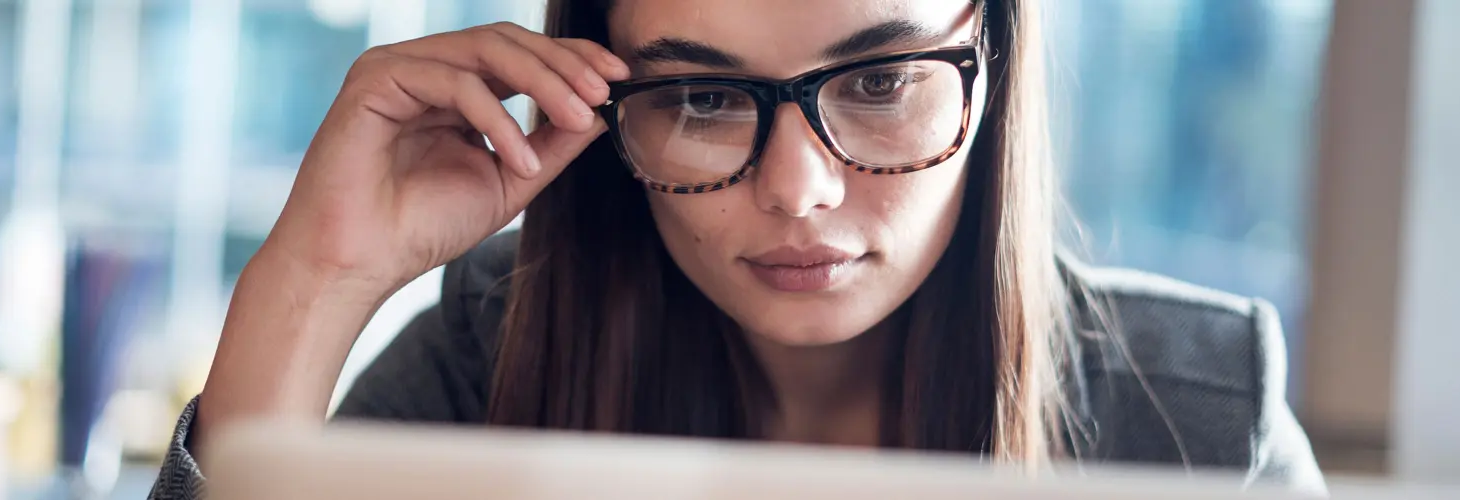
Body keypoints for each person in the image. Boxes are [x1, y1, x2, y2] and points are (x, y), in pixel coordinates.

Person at [149, 0, 1323, 496]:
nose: (798, 189)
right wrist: (318, 273)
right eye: (703, 97)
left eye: (878, 81)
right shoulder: (486, 360)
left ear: (995, 78)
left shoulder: (1202, 423)